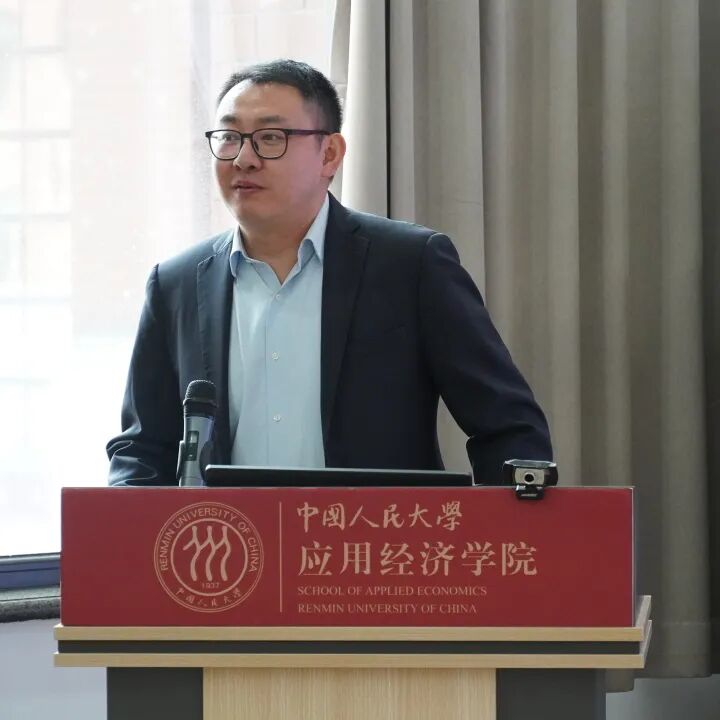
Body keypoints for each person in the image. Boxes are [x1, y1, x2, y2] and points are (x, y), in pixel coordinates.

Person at [107, 59, 552, 486]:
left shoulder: (410, 265)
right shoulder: (176, 284)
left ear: (330, 154)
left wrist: (501, 527)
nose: (243, 158)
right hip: (230, 539)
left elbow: (508, 428)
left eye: (271, 137)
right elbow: (140, 452)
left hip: (372, 535)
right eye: (229, 137)